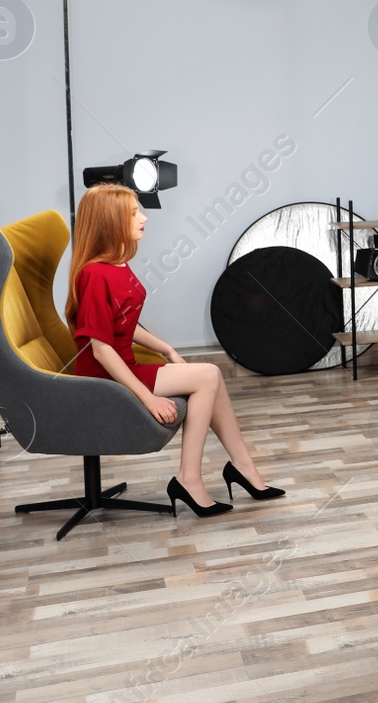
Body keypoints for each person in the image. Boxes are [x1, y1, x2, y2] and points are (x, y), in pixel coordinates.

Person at [66, 183, 282, 516]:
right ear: (110, 221)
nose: (144, 217)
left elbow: (123, 324)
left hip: (125, 367)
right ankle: (189, 479)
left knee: (212, 376)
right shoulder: (95, 275)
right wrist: (147, 398)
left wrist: (166, 348)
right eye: (134, 212)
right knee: (208, 375)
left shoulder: (117, 266)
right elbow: (101, 351)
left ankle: (242, 467)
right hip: (104, 380)